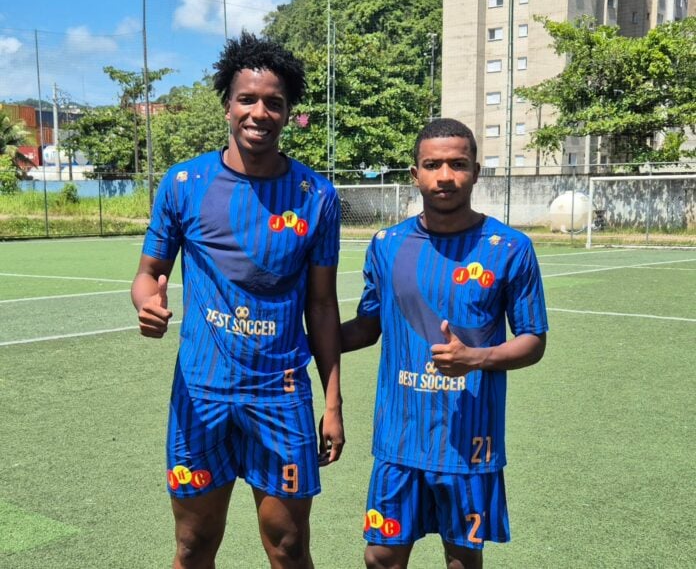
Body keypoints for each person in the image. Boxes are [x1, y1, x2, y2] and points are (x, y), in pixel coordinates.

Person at [131, 31, 344, 569]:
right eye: (247, 99)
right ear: (227, 104)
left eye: (274, 102)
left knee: (289, 546)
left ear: (289, 113)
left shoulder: (317, 197)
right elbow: (149, 274)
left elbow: (322, 306)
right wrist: (147, 304)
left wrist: (333, 403)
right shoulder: (184, 182)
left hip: (281, 395)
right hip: (201, 395)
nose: (259, 113)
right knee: (193, 545)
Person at [341, 118, 548, 569]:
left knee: (461, 560)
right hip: (399, 438)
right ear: (415, 174)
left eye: (458, 164)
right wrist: (297, 340)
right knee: (380, 557)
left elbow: (533, 340)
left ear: (476, 172)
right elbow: (366, 327)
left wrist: (476, 357)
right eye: (433, 165)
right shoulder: (386, 244)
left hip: (469, 440)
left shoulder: (510, 248)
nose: (445, 176)